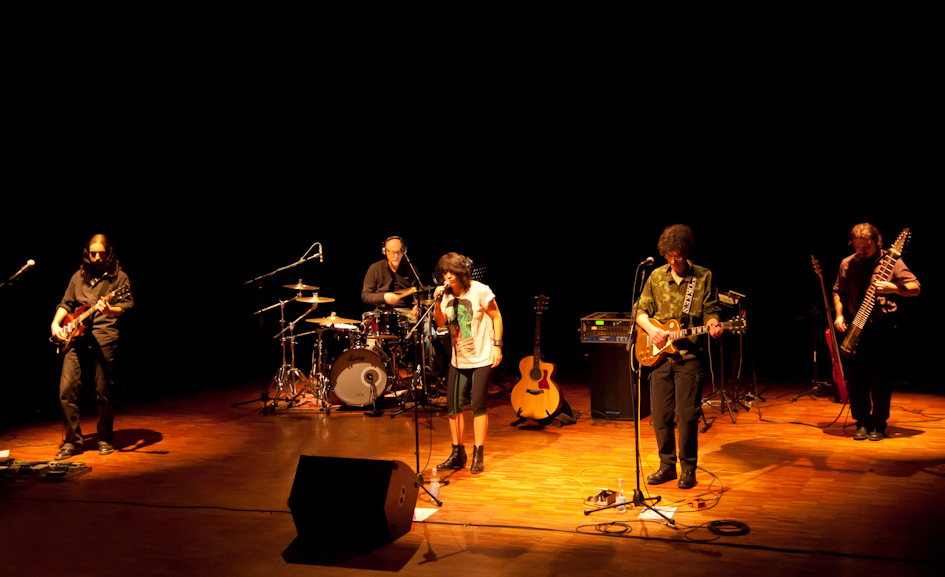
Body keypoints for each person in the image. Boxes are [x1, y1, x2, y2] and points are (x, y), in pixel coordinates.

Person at [635, 225, 721, 489]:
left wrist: (714, 324)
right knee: (660, 416)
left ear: (687, 252)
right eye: (669, 256)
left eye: (678, 256)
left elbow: (711, 310)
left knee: (687, 416)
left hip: (690, 357)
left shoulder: (703, 276)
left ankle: (688, 468)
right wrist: (652, 330)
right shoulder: (655, 276)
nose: (674, 261)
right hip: (658, 356)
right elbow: (640, 311)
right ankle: (667, 466)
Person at [833, 223, 920, 441]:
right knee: (856, 380)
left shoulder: (892, 262)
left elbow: (915, 288)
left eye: (866, 247)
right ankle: (861, 422)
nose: (861, 251)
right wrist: (839, 315)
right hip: (856, 326)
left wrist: (894, 288)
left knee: (881, 379)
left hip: (881, 328)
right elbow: (838, 292)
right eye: (857, 247)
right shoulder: (847, 263)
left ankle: (879, 425)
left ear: (876, 242)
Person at [50, 234, 134, 460]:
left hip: (104, 337)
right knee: (66, 389)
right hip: (76, 337)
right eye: (93, 253)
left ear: (109, 253)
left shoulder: (120, 278)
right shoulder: (78, 277)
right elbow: (66, 303)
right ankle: (72, 441)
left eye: (101, 253)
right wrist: (56, 324)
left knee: (103, 392)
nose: (97, 257)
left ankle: (105, 438)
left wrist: (109, 310)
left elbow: (126, 305)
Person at [433, 252, 503, 474]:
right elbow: (440, 322)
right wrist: (437, 302)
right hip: (458, 358)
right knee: (453, 407)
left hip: (482, 356)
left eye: (451, 272)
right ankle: (457, 453)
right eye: (444, 272)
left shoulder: (480, 290)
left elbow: (497, 317)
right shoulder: (445, 295)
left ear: (461, 272)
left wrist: (497, 346)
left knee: (477, 405)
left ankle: (478, 453)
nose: (448, 276)